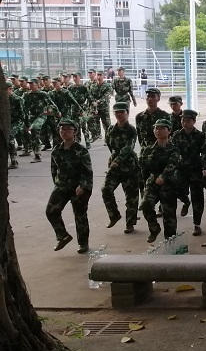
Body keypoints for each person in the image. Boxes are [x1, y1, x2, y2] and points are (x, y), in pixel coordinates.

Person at [47, 119, 93, 253]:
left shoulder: (81, 150)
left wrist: (83, 186)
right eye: (62, 129)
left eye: (68, 129)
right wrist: (57, 184)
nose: (64, 132)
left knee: (80, 215)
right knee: (51, 211)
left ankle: (83, 243)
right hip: (61, 186)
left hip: (78, 187)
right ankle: (63, 236)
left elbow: (87, 172)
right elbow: (53, 169)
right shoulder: (56, 150)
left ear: (75, 132)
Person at [102, 102, 141, 234]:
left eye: (122, 112)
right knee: (106, 189)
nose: (119, 114)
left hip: (129, 166)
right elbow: (110, 145)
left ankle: (130, 223)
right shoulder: (111, 129)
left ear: (127, 113)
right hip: (114, 166)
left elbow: (128, 148)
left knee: (131, 196)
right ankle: (114, 215)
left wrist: (118, 160)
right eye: (116, 112)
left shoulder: (131, 130)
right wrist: (113, 159)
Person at [139, 119, 181, 243]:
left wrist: (163, 177)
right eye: (156, 128)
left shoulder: (173, 149)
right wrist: (145, 184)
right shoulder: (148, 149)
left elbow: (171, 165)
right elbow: (143, 168)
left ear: (169, 131)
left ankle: (170, 240)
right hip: (152, 183)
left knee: (169, 214)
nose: (158, 131)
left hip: (169, 183)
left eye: (162, 128)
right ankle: (154, 229)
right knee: (146, 205)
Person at [172, 109, 206, 235]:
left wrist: (205, 168)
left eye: (187, 121)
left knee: (197, 198)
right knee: (177, 189)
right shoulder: (176, 135)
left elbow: (205, 153)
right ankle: (186, 202)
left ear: (194, 121)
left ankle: (197, 224)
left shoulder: (200, 136)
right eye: (183, 120)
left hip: (195, 169)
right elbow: (172, 151)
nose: (184, 123)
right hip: (180, 169)